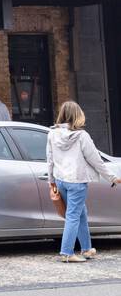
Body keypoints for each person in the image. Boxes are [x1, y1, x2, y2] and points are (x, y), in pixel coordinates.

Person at [47, 101, 119, 262]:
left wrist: (51, 182)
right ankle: (66, 253)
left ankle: (86, 249)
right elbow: (96, 160)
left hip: (61, 180)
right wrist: (112, 177)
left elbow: (50, 160)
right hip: (77, 181)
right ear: (78, 115)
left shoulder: (52, 134)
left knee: (80, 214)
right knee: (73, 215)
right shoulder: (82, 136)